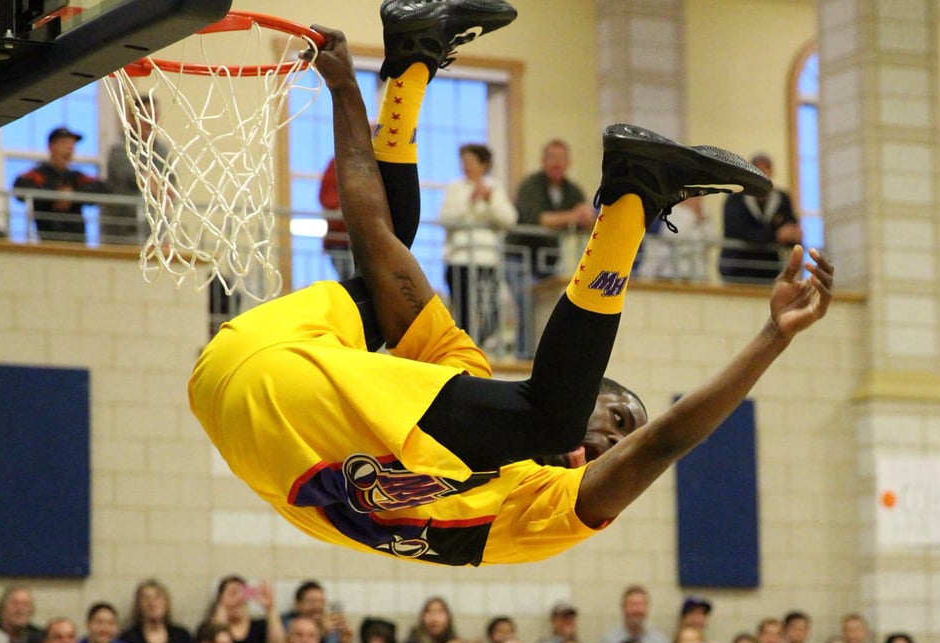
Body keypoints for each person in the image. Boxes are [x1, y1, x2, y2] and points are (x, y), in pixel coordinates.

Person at [187, 16, 833, 570]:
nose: (617, 443)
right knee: (390, 256)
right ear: (584, 388)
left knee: (536, 409)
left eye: (623, 433)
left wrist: (773, 336)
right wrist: (347, 90)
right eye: (617, 421)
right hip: (264, 355)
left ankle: (634, 194)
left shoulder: (536, 510)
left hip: (240, 389)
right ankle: (410, 67)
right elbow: (375, 233)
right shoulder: (457, 371)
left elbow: (665, 441)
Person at [438, 142, 519, 351]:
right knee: (463, 306)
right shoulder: (456, 187)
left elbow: (509, 219)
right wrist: (470, 201)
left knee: (488, 307)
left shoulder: (494, 187)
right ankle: (465, 346)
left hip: (487, 258)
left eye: (471, 161)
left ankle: (484, 343)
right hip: (459, 258)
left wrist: (490, 200)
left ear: (484, 164)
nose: (466, 166)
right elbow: (445, 218)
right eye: (464, 161)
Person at [507, 139, 596, 281]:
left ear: (568, 162)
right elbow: (536, 219)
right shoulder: (530, 186)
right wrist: (571, 216)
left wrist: (586, 218)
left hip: (549, 260)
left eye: (561, 158)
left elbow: (586, 218)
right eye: (552, 157)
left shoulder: (573, 190)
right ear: (543, 161)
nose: (557, 163)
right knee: (529, 294)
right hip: (521, 257)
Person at [12, 126, 106, 243]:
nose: (69, 148)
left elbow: (101, 188)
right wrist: (55, 195)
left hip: (77, 241)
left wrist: (73, 196)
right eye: (65, 143)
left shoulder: (77, 177)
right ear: (51, 147)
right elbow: (20, 188)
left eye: (72, 145)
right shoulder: (38, 175)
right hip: (48, 239)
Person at [719, 153, 802, 283]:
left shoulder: (782, 199)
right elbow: (736, 231)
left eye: (765, 173)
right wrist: (776, 236)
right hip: (738, 270)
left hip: (770, 270)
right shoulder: (735, 199)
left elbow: (791, 230)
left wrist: (794, 235)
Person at [102, 94, 171, 245]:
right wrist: (156, 185)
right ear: (131, 119)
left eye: (154, 115)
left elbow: (169, 189)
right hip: (123, 231)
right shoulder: (120, 148)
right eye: (146, 115)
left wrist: (158, 187)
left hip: (154, 229)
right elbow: (141, 179)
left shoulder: (162, 150)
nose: (150, 121)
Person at [599, 585, 672, 643]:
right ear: (623, 608)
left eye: (641, 605)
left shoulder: (660, 642)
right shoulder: (609, 641)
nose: (637, 610)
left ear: (647, 608)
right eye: (632, 605)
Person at [320, 159, 354, 279]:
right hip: (340, 239)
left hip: (358, 238)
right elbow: (327, 199)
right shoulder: (337, 164)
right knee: (349, 280)